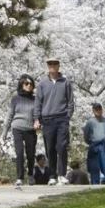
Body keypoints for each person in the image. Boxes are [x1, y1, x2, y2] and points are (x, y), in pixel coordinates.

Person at [33, 56, 75, 186]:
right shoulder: (42, 84)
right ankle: (52, 175)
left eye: (54, 63)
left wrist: (67, 116)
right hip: (47, 120)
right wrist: (36, 119)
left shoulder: (65, 82)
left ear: (58, 66)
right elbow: (38, 103)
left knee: (61, 147)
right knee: (50, 148)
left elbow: (70, 102)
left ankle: (62, 174)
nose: (52, 66)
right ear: (48, 66)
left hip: (62, 119)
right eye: (50, 64)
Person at [4, 74, 38, 187]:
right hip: (17, 127)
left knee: (31, 154)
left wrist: (38, 122)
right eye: (26, 83)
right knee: (19, 153)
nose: (29, 86)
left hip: (30, 129)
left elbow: (38, 114)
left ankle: (31, 175)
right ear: (21, 84)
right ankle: (19, 177)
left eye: (31, 84)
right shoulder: (15, 99)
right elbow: (10, 115)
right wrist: (5, 131)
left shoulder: (35, 99)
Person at [82, 102, 105, 185]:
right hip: (94, 144)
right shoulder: (90, 122)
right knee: (94, 167)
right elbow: (86, 135)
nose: (98, 111)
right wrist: (90, 143)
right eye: (96, 109)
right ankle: (95, 184)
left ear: (102, 110)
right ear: (93, 110)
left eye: (99, 109)